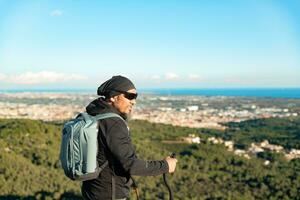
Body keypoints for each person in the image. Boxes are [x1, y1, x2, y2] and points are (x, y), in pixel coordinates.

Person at [81, 75, 178, 200]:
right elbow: (131, 164)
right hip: (110, 194)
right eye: (130, 96)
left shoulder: (93, 115)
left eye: (135, 97)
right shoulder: (113, 123)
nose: (134, 101)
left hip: (91, 190)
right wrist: (165, 165)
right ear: (114, 97)